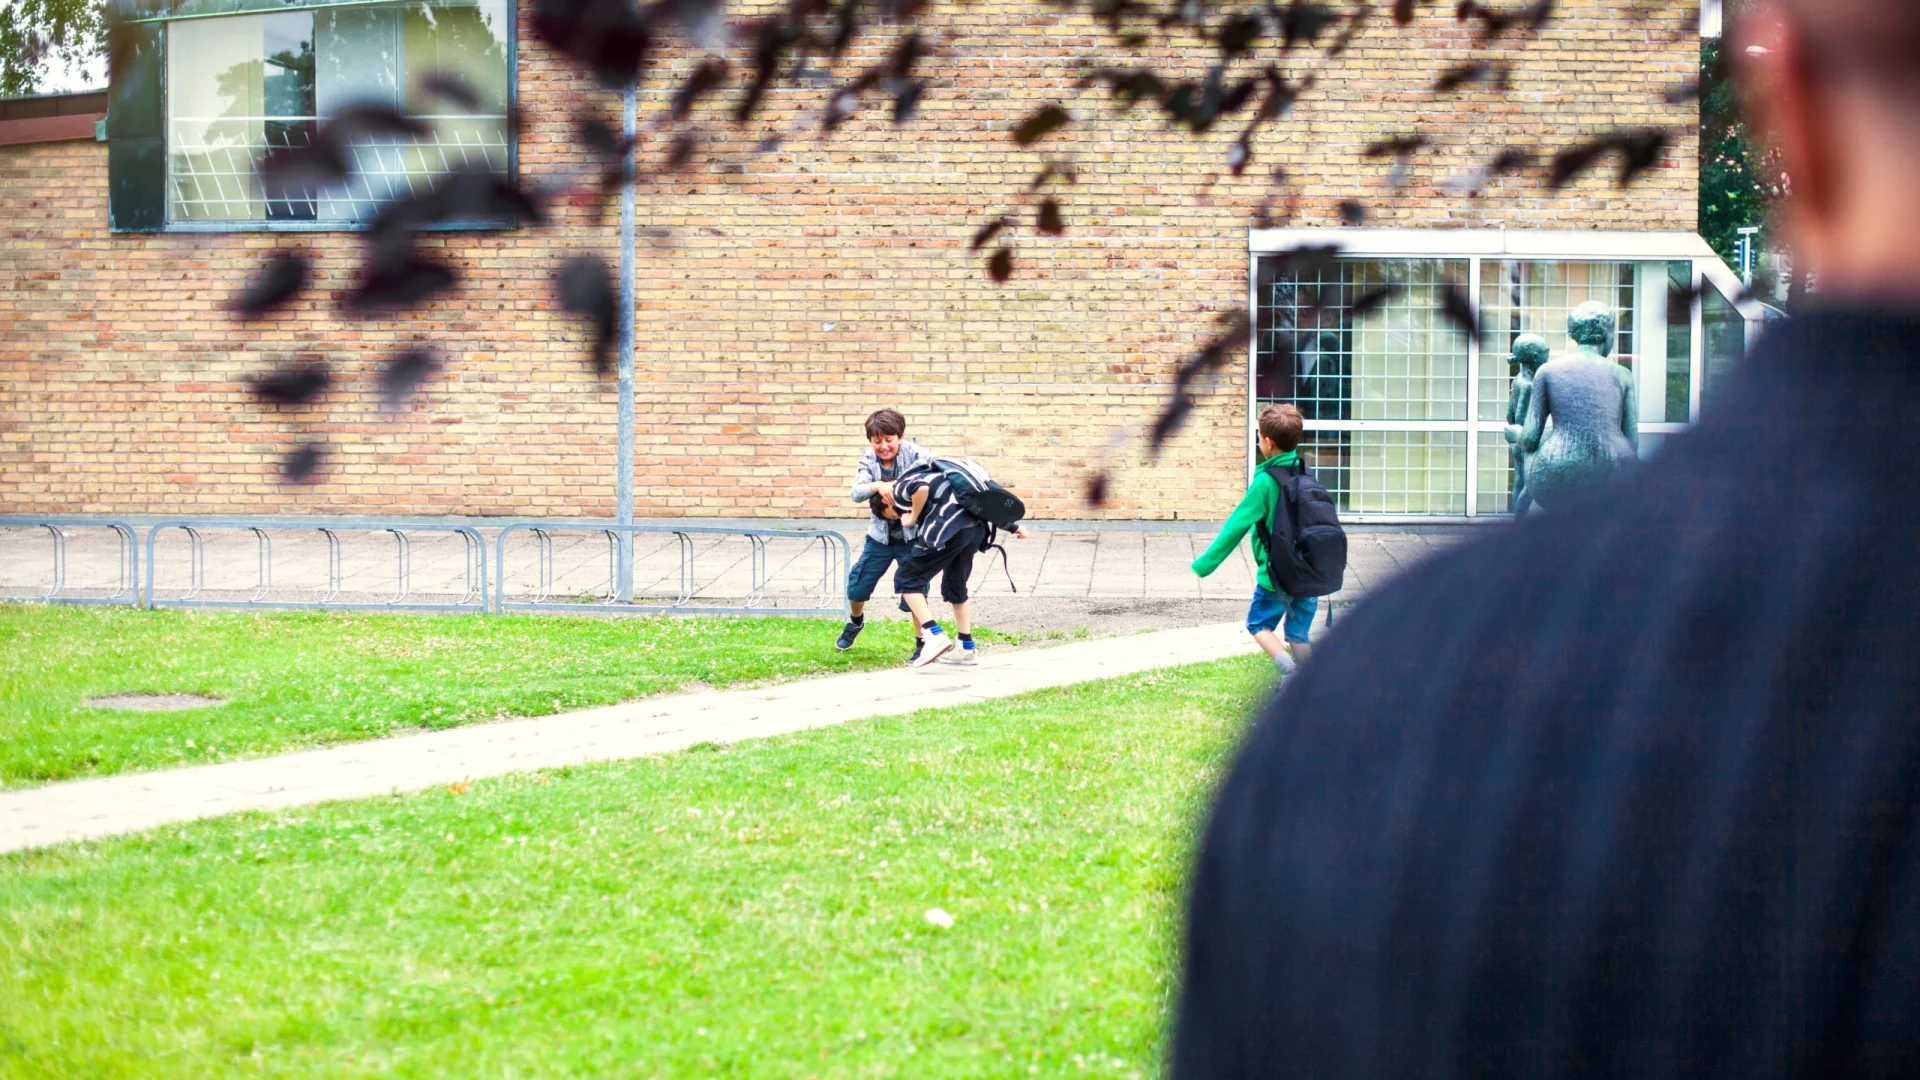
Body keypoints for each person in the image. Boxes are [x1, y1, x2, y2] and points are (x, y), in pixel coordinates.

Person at [1172, 2, 1920, 1076]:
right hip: (1611, 469)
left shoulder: (1391, 702)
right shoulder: (1615, 375)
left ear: (1787, 99)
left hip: (1564, 504)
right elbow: (1615, 435)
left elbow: (1529, 444)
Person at [1191, 403, 1318, 674]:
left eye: (1259, 437)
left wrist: (1205, 564)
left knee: (1258, 625)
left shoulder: (1265, 482)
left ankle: (1290, 671)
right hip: (1311, 574)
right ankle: (1316, 684)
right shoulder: (1306, 474)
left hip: (1278, 577)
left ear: (1268, 442)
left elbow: (1234, 527)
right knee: (1298, 634)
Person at [893, 461, 1030, 667]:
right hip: (975, 530)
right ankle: (966, 647)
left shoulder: (899, 487)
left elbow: (920, 490)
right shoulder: (947, 472)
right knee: (956, 584)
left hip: (950, 528)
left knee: (907, 579)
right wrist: (1012, 526)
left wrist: (911, 518)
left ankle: (933, 634)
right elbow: (982, 499)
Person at [836, 409, 931, 653]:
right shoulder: (869, 460)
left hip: (913, 537)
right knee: (858, 586)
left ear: (899, 436)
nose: (883, 446)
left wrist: (901, 487)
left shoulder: (916, 454)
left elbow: (933, 477)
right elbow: (856, 492)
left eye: (889, 440)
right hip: (880, 538)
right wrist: (878, 485)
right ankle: (856, 622)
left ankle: (922, 643)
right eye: (877, 441)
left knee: (915, 590)